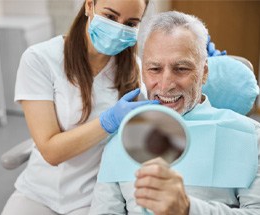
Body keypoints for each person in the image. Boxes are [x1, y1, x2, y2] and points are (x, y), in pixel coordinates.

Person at [89, 11, 260, 214]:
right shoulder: (121, 138)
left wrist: (188, 209)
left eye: (181, 68)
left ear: (204, 72)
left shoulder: (250, 136)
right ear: (143, 71)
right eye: (154, 69)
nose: (165, 84)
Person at [1, 0, 155, 214]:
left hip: (94, 200)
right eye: (110, 17)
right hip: (38, 193)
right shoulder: (40, 59)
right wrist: (108, 121)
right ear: (89, 6)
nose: (119, 28)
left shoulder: (134, 71)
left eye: (130, 23)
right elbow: (51, 152)